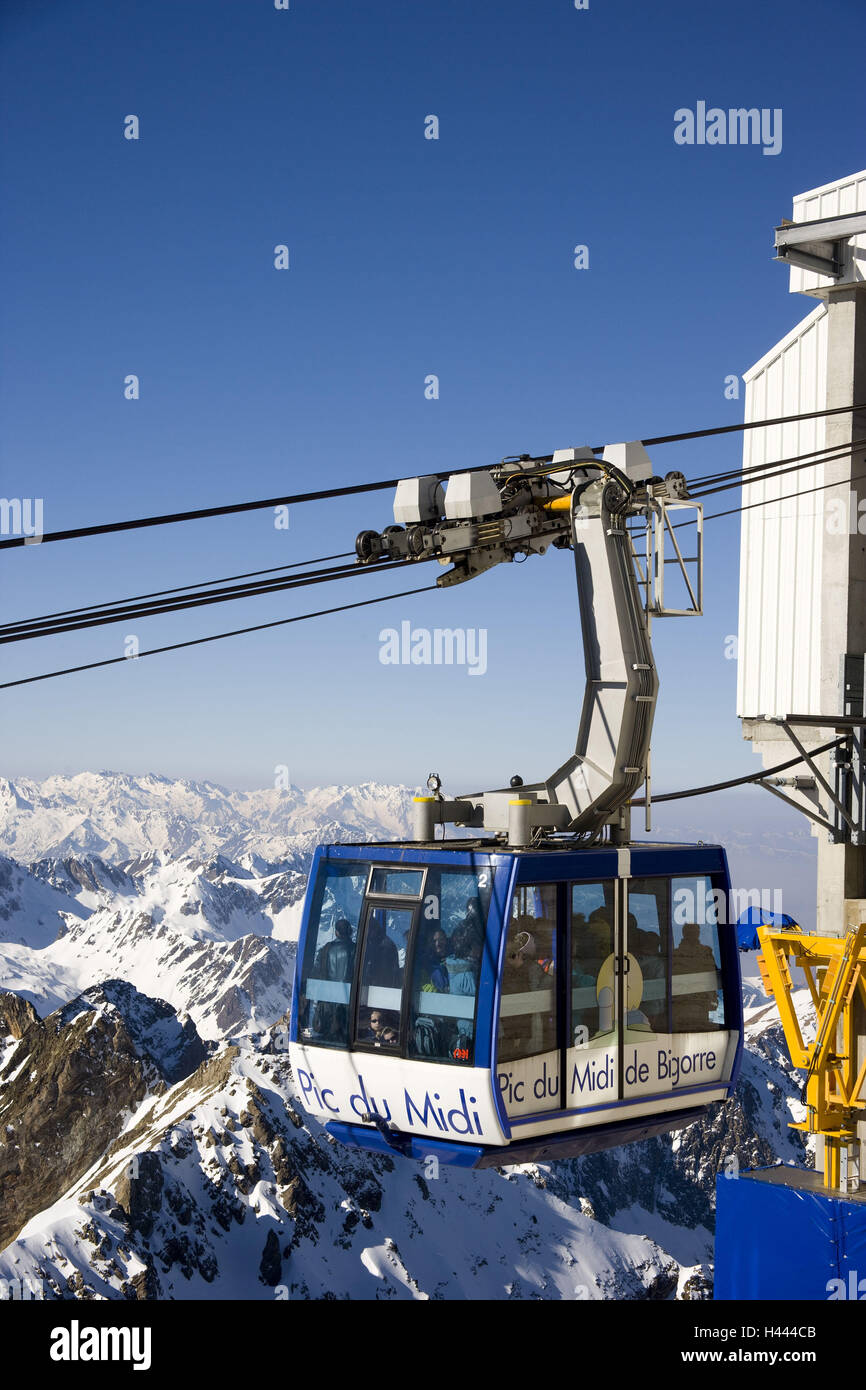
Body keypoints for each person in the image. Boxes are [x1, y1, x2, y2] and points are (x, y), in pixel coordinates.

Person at [673, 923, 721, 1030]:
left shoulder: (675, 954)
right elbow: (714, 976)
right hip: (698, 1002)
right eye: (692, 932)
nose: (694, 934)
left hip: (682, 1003)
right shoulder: (706, 953)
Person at [361, 911, 400, 988]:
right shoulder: (372, 942)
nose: (367, 933)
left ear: (374, 930)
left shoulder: (385, 946)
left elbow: (385, 970)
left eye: (369, 931)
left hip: (380, 985)